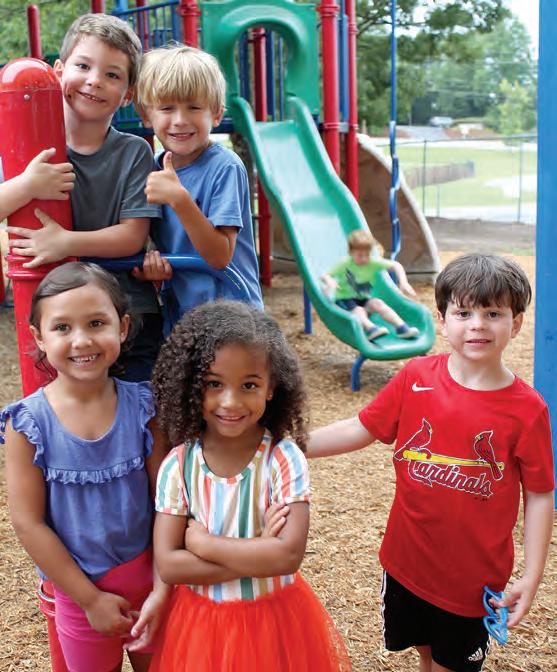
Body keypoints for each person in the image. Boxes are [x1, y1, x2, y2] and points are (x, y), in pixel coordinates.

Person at [307, 254, 554, 672]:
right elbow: (362, 427)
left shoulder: (527, 410)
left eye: (493, 313)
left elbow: (540, 494)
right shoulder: (416, 376)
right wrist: (294, 445)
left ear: (516, 323)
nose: (477, 324)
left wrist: (532, 575)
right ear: (442, 319)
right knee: (425, 652)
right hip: (406, 564)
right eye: (464, 313)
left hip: (471, 581)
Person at [148, 300, 351, 671]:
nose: (231, 401)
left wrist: (205, 545)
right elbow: (170, 565)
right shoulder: (179, 465)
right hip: (201, 627)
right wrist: (258, 551)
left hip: (275, 623)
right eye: (214, 384)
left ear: (271, 387)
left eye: (249, 385)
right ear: (192, 385)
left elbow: (287, 557)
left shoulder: (283, 459)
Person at [0, 262, 170, 672]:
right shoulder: (27, 425)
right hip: (79, 595)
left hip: (153, 583)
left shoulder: (146, 408)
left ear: (122, 327)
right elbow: (28, 523)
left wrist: (164, 586)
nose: (81, 340)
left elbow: (168, 502)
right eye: (62, 327)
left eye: (96, 323)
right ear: (39, 338)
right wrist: (89, 599)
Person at [1, 13, 162, 381]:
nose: (94, 80)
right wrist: (27, 185)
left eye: (112, 75)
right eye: (83, 66)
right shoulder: (30, 149)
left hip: (127, 312)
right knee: (66, 407)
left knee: (138, 404)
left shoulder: (134, 152)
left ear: (128, 94)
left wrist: (65, 242)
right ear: (59, 72)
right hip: (60, 314)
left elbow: (132, 236)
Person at [134, 45, 263, 330]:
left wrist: (180, 199)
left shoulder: (225, 167)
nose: (180, 120)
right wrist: (152, 268)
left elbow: (219, 256)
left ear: (216, 114)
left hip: (231, 315)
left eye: (194, 107)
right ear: (146, 115)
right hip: (182, 315)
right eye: (167, 108)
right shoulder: (152, 169)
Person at [321, 229, 419, 340]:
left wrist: (403, 282)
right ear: (351, 252)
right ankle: (371, 329)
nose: (364, 258)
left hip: (363, 299)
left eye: (367, 255)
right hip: (344, 301)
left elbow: (396, 265)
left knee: (378, 303)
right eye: (360, 255)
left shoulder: (372, 262)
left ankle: (402, 328)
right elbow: (325, 275)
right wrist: (330, 281)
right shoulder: (345, 264)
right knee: (359, 310)